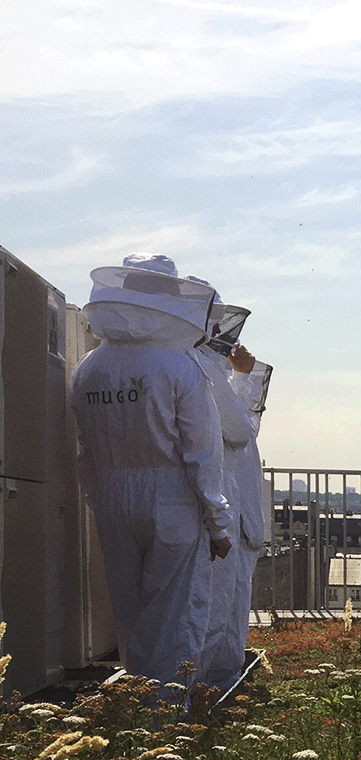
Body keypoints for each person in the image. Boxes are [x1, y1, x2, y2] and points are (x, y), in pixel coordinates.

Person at [70, 254, 232, 687]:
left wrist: (100, 501)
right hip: (173, 499)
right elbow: (202, 453)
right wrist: (218, 523)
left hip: (111, 498)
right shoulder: (179, 365)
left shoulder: (89, 369)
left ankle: (133, 715)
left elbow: (84, 452)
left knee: (131, 613)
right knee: (175, 615)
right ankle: (162, 726)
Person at [189, 285, 272, 689]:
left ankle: (216, 682)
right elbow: (239, 431)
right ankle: (210, 687)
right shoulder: (202, 370)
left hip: (226, 509)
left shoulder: (199, 368)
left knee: (227, 603)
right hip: (222, 510)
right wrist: (244, 379)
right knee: (218, 607)